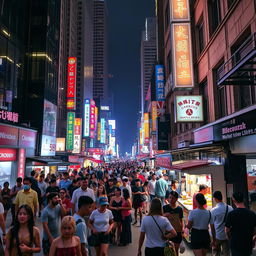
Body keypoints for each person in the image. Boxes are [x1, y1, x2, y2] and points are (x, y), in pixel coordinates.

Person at [225, 192, 256, 256]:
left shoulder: (231, 214)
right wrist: (253, 239)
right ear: (243, 199)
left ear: (233, 200)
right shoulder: (252, 214)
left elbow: (227, 230)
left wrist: (230, 239)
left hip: (235, 244)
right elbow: (255, 230)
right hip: (248, 244)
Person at [210, 191, 233, 256]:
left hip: (217, 235)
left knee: (216, 253)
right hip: (226, 235)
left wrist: (213, 239)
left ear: (215, 199)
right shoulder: (230, 208)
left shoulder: (213, 210)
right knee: (226, 253)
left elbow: (212, 226)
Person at [163, 191, 183, 256]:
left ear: (176, 199)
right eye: (170, 197)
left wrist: (182, 230)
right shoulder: (165, 208)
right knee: (168, 250)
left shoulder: (179, 209)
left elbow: (181, 220)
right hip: (168, 232)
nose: (171, 199)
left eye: (173, 198)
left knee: (176, 251)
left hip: (177, 232)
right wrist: (164, 215)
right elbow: (160, 219)